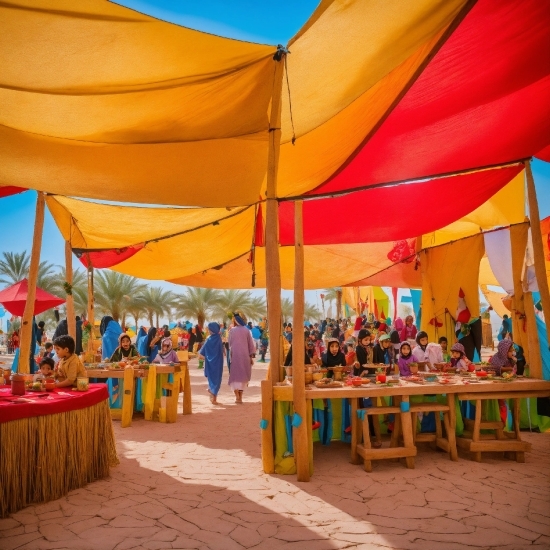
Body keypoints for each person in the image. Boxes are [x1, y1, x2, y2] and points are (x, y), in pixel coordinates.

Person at [228, 312, 255, 404]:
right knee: (243, 377)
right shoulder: (247, 330)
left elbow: (229, 343)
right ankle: (241, 398)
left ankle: (237, 397)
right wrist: (251, 356)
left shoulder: (232, 331)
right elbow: (251, 345)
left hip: (235, 356)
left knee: (235, 377)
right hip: (245, 356)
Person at [199, 322, 224, 404]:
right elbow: (222, 351)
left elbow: (201, 353)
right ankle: (214, 396)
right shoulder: (219, 339)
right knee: (217, 379)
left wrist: (206, 358)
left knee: (211, 379)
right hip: (218, 363)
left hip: (210, 363)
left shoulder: (208, 339)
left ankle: (212, 394)